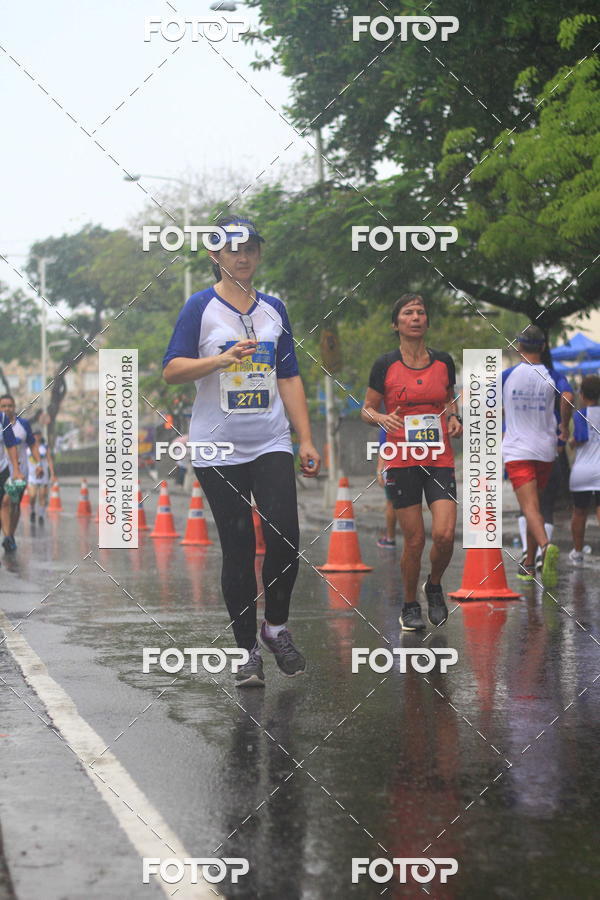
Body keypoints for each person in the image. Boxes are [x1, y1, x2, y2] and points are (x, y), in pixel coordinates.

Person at [163, 215, 320, 686]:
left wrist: (306, 438)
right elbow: (171, 370)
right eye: (232, 248)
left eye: (250, 246)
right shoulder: (200, 307)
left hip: (271, 441)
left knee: (286, 537)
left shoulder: (274, 309)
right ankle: (247, 650)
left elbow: (288, 376)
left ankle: (276, 627)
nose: (243, 255)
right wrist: (221, 359)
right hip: (217, 447)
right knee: (238, 548)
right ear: (215, 255)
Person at [362, 293, 462, 631]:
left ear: (427, 321)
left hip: (439, 457)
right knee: (416, 539)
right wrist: (380, 419)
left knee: (446, 534)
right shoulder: (385, 364)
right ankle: (409, 603)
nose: (416, 317)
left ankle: (433, 585)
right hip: (402, 458)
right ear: (396, 323)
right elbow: (366, 409)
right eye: (408, 313)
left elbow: (449, 401)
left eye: (421, 312)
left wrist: (454, 419)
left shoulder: (444, 362)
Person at [502, 326, 573, 586]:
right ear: (543, 347)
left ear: (519, 347)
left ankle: (546, 547)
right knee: (537, 507)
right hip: (545, 450)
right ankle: (529, 564)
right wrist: (563, 427)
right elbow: (567, 397)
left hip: (517, 450)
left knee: (529, 507)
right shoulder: (553, 375)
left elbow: (483, 399)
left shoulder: (507, 375)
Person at [0, 395, 41, 551]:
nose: (7, 409)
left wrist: (38, 464)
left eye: (10, 405)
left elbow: (33, 445)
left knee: (14, 504)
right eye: (3, 406)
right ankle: (8, 537)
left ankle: (10, 535)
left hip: (19, 474)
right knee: (4, 503)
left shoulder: (23, 424)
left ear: (14, 406)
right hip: (5, 470)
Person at [567, 375, 600, 566]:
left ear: (582, 394)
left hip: (582, 471)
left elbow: (580, 437)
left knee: (579, 512)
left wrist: (571, 442)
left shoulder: (580, 415)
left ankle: (578, 552)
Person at [0, 408, 25, 558]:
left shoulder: (2, 418)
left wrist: (16, 469)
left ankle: (8, 537)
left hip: (2, 470)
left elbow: (10, 445)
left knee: (5, 503)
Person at [376, 426, 398, 548]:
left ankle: (390, 538)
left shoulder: (388, 422)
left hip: (392, 467)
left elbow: (384, 448)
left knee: (391, 503)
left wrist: (380, 470)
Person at [27, 431, 54, 525]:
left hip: (43, 476)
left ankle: (41, 516)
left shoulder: (44, 447)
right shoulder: (27, 447)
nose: (36, 437)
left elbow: (49, 460)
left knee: (42, 496)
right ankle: (32, 511)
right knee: (33, 496)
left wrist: (53, 474)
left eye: (38, 435)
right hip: (32, 476)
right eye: (35, 435)